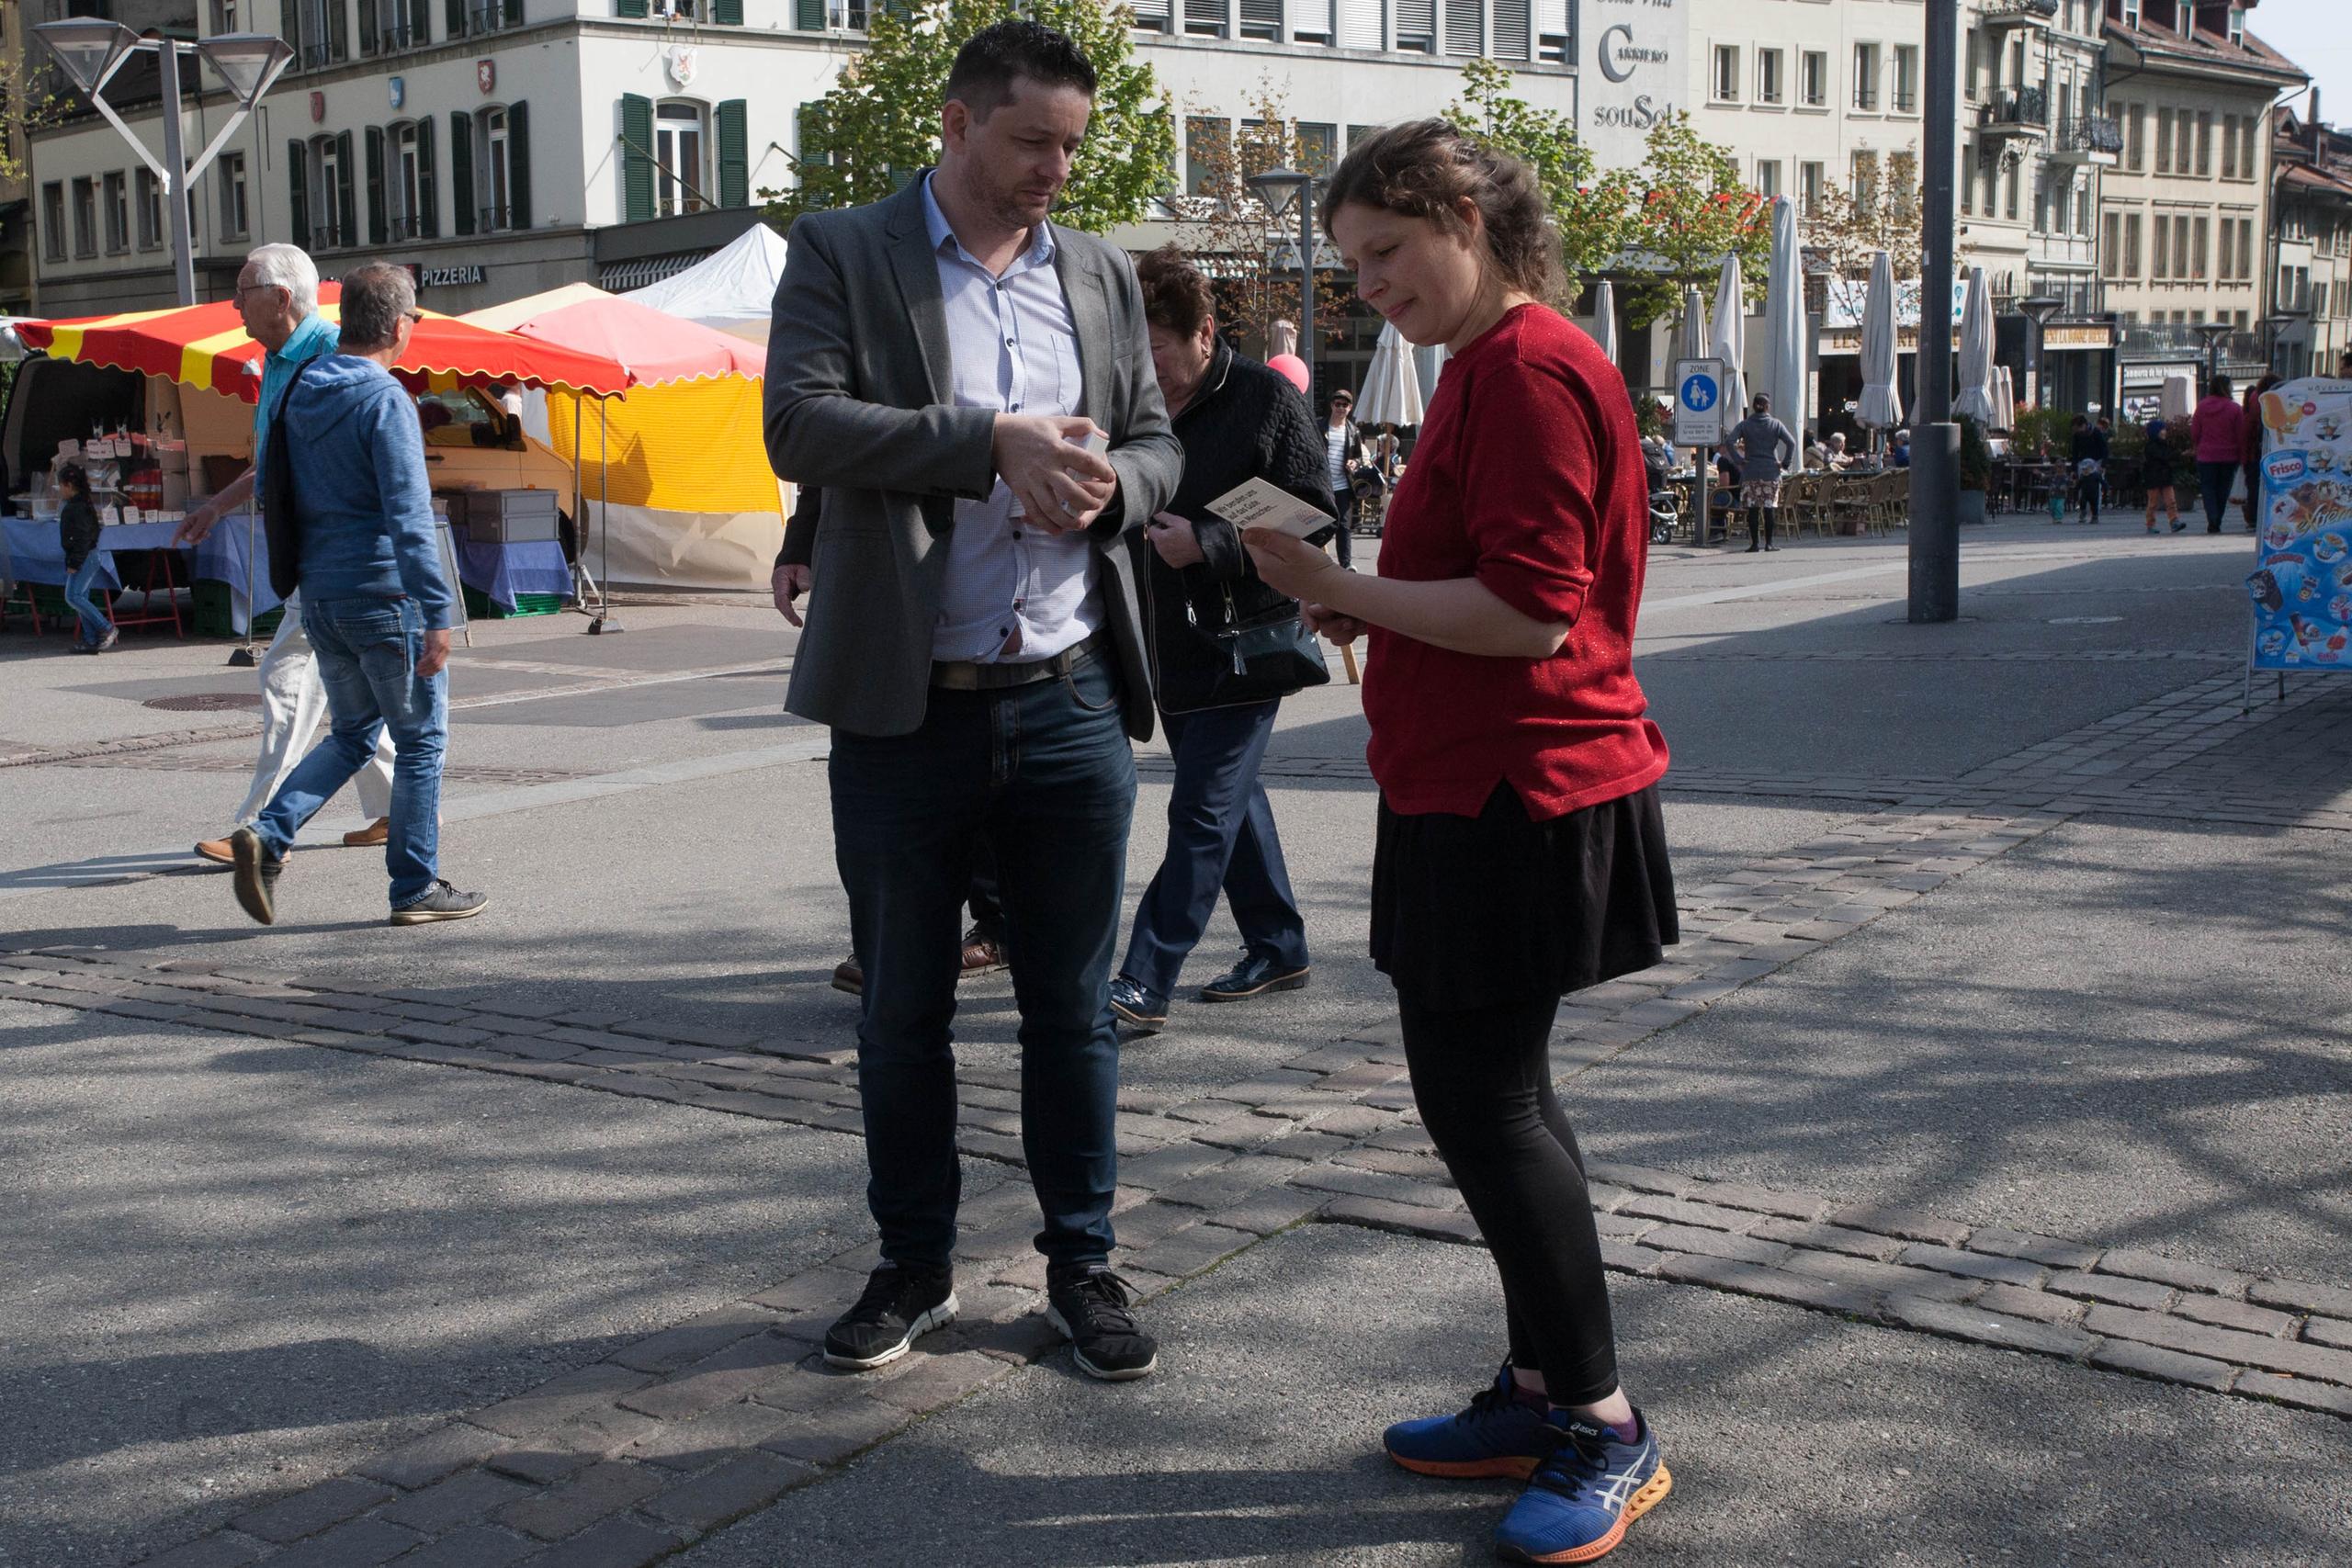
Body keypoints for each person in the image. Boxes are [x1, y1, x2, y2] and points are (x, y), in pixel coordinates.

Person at [1242, 119, 1677, 1565]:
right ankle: (1548, 1385)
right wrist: (1366, 601)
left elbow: (1536, 614)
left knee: (1484, 1103)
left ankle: (1602, 1422)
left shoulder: (1533, 366)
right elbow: (1487, 593)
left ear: (1467, 220)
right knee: (1500, 1096)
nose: (1367, 284)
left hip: (1521, 788)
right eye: (1351, 261)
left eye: (1385, 250)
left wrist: (1340, 578)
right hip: (1477, 781)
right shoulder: (1495, 363)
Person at [763, 20, 1183, 1382]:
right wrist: (983, 441)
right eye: (1029, 142)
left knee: (1072, 1006)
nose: (1055, 168)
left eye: (1072, 143)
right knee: (901, 1008)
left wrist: (1125, 481)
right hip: (906, 702)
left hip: (1066, 690)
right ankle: (915, 1264)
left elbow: (1159, 438)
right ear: (954, 126)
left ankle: (1084, 1263)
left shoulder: (1103, 270)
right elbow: (799, 422)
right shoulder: (846, 248)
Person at [226, 264, 484, 927]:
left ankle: (270, 832)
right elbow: (408, 515)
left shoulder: (302, 388)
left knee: (351, 733)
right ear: (400, 327)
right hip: (383, 594)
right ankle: (414, 886)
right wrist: (438, 612)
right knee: (421, 742)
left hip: (322, 595)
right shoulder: (384, 398)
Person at [1105, 245, 1321, 1033]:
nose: (1148, 369)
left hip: (1246, 639)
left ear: (1203, 334)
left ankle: (1144, 977)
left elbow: (1313, 508)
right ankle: (1279, 943)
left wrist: (1212, 541)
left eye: (1157, 352)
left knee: (1200, 811)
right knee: (1231, 801)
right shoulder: (1130, 402)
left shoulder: (1264, 396)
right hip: (1164, 643)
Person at [177, 243, 397, 865]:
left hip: (327, 554)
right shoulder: (274, 361)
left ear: (280, 298)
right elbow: (272, 463)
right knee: (347, 689)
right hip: (311, 552)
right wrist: (217, 505)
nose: (233, 302)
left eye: (242, 290)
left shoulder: (332, 354)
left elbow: (370, 451)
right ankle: (395, 809)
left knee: (288, 681)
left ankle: (260, 829)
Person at [776, 486, 1009, 993]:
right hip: (877, 574)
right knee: (875, 799)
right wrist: (798, 544)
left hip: (993, 591)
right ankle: (886, 937)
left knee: (985, 773)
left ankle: (996, 926)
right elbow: (824, 455)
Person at [1724, 392, 1797, 552]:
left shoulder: (1745, 425)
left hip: (1751, 471)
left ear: (1753, 406)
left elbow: (1729, 441)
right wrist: (1785, 463)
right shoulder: (1775, 424)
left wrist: (1739, 459)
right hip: (1771, 471)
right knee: (1769, 508)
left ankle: (1754, 544)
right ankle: (1769, 543)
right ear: (1766, 407)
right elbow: (1791, 442)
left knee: (1753, 509)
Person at [56, 463, 117, 652]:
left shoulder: (76, 507)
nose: (60, 490)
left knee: (73, 596)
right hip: (88, 555)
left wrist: (74, 562)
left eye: (60, 486)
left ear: (68, 485)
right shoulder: (83, 503)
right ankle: (91, 640)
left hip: (85, 557)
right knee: (81, 597)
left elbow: (83, 537)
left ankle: (107, 628)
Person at [2191, 374, 2245, 535]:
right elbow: (2240, 434)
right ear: (2227, 387)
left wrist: (2197, 446)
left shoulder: (2202, 407)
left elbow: (2195, 431)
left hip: (2206, 455)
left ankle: (2212, 517)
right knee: (2223, 489)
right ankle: (2217, 519)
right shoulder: (2235, 408)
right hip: (2229, 456)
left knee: (2208, 488)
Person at [1321, 388, 1362, 569]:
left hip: (1343, 485)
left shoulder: (1353, 431)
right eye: (1338, 404)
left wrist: (1355, 463)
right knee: (1319, 524)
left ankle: (1346, 564)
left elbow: (1358, 456)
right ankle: (1318, 563)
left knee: (1343, 527)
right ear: (1332, 406)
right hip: (1322, 485)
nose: (1341, 408)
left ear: (1350, 408)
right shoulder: (1320, 427)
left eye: (1344, 405)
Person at [2241, 373, 2279, 533]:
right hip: (2273, 453)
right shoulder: (2278, 402)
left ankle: (2254, 517)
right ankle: (2267, 516)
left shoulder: (2254, 402)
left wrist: (2244, 456)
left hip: (2255, 454)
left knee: (2254, 486)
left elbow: (2246, 432)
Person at [2141, 415, 2185, 534]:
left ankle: (2174, 521)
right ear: (2156, 432)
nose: (2164, 432)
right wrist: (2176, 455)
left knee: (2170, 500)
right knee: (2153, 503)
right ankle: (2150, 524)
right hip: (2154, 477)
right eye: (2162, 429)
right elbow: (2164, 457)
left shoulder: (2165, 444)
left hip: (2165, 477)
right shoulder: (2151, 446)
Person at [2068, 412, 2107, 525]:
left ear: (2084, 425)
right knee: (2083, 490)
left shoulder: (2096, 433)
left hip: (2096, 463)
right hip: (2082, 463)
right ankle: (2083, 510)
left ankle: (2095, 514)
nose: (2078, 431)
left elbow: (2104, 449)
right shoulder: (2077, 436)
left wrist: (2103, 465)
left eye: (2078, 428)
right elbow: (2074, 453)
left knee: (2096, 490)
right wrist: (2074, 469)